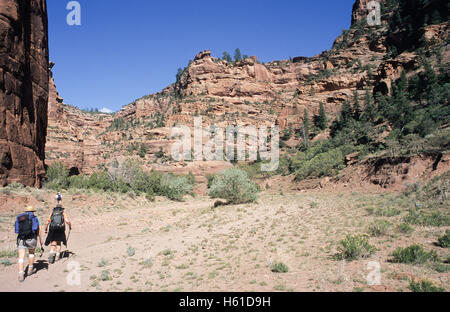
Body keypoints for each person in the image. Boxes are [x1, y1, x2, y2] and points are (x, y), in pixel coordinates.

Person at [15, 206, 43, 282]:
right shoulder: (34, 218)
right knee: (31, 253)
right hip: (32, 238)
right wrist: (40, 240)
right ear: (33, 211)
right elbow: (38, 229)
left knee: (21, 257)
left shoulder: (20, 217)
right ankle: (30, 270)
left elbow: (17, 230)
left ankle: (21, 274)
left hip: (21, 238)